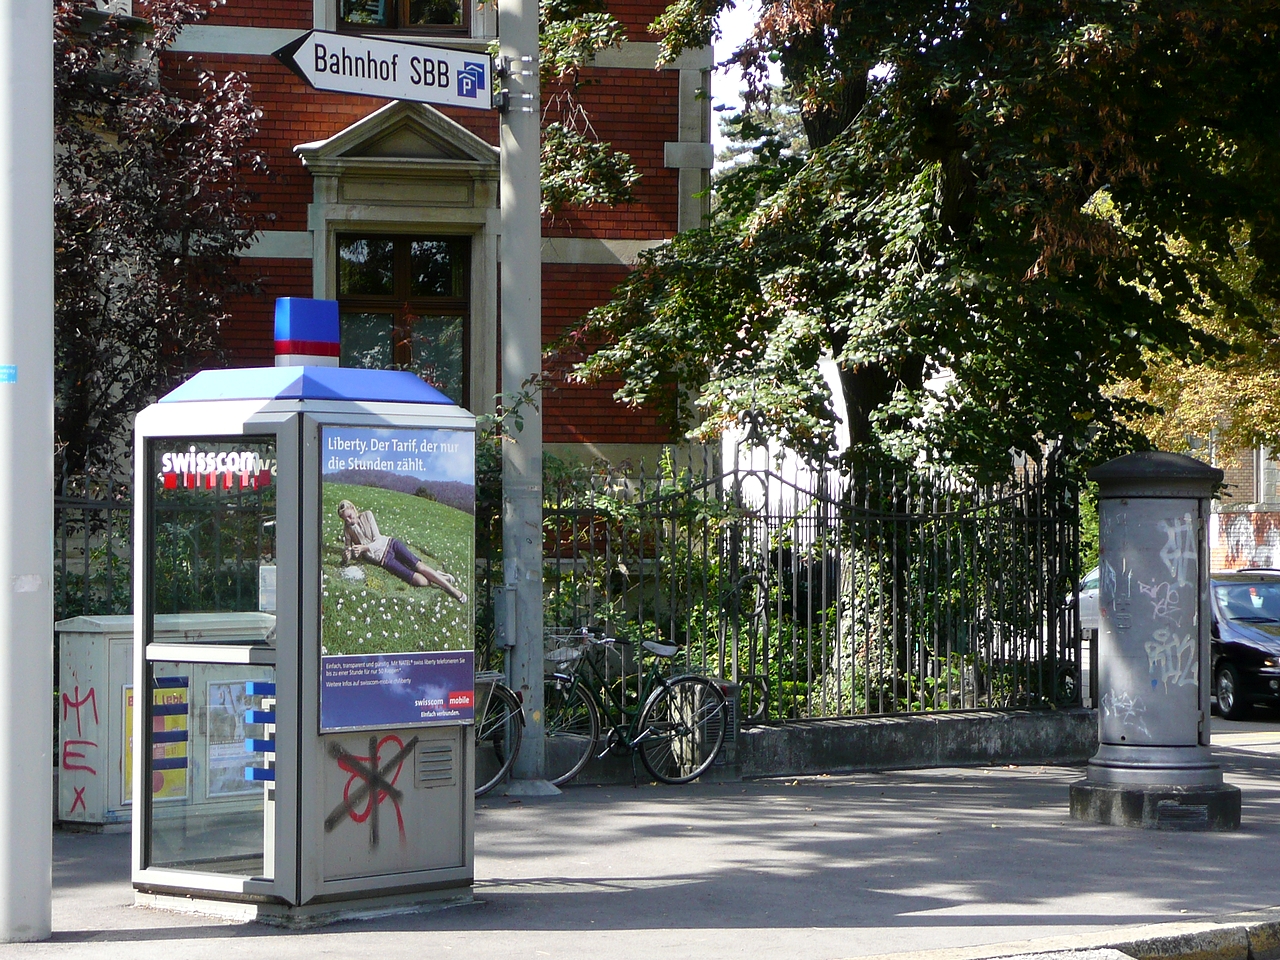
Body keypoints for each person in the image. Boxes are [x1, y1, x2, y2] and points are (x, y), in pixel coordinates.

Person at [337, 499, 466, 603]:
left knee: (420, 567)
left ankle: (454, 591)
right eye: (345, 519)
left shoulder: (367, 515)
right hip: (385, 560)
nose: (348, 520)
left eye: (349, 516)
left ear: (353, 509)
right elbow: (348, 549)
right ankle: (440, 576)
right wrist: (346, 556)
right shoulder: (347, 529)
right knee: (420, 581)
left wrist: (363, 548)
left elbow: (378, 540)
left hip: (392, 545)